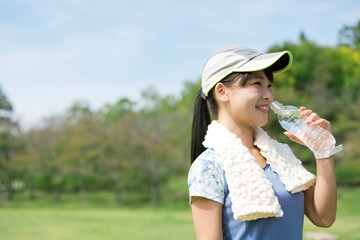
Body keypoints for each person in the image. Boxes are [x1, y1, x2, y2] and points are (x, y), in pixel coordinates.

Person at [188, 46, 337, 240]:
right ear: (222, 91)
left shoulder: (282, 155)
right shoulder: (208, 167)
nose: (269, 95)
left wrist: (323, 151)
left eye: (269, 85)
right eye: (257, 83)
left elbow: (323, 217)